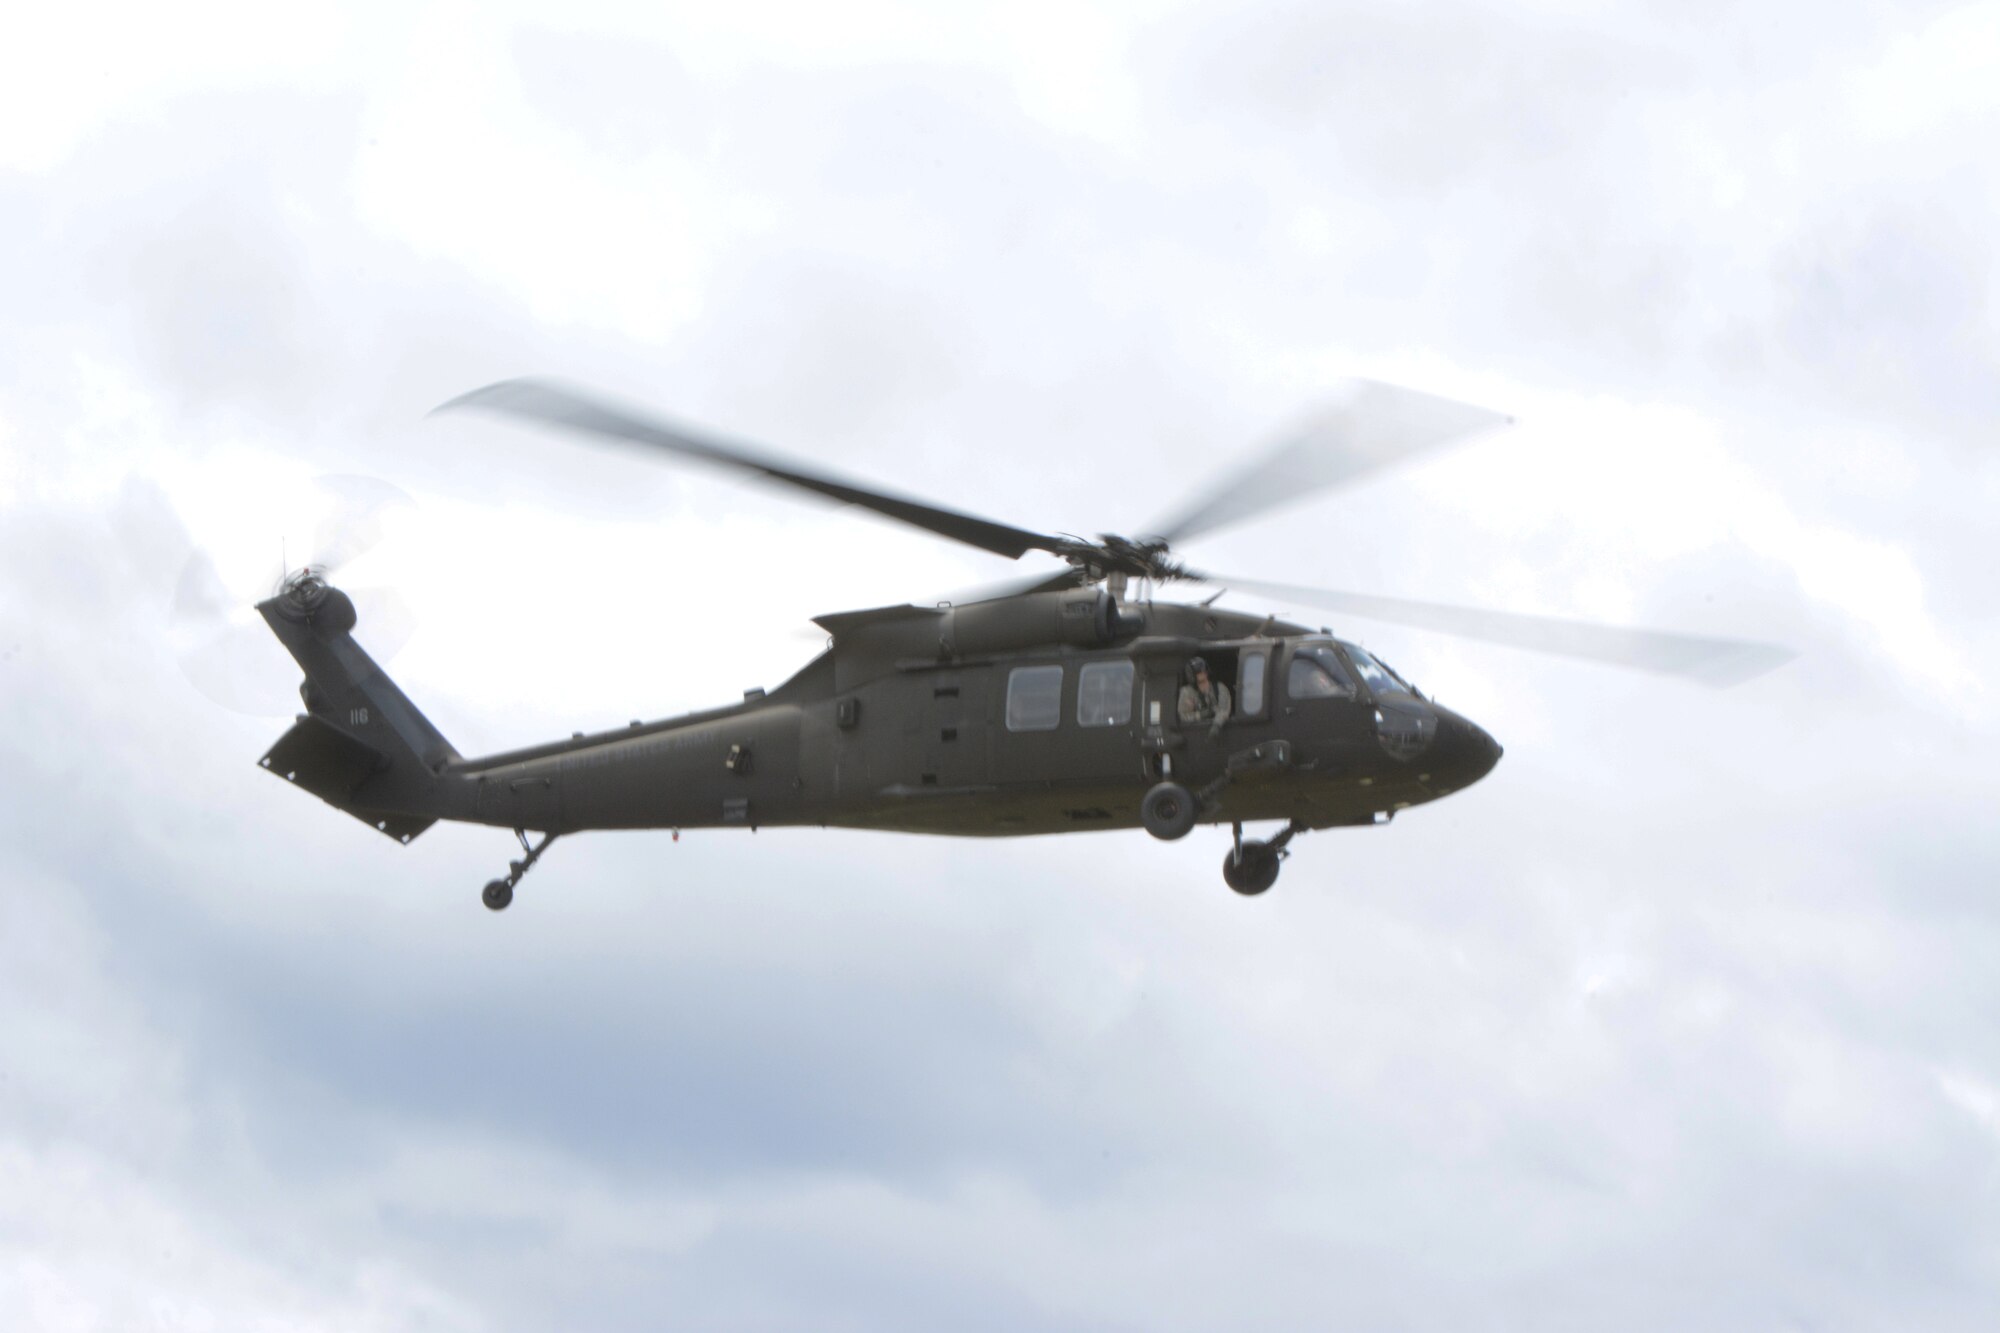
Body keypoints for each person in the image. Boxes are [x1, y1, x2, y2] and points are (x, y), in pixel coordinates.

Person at [1177, 656, 1232, 737]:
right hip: (1196, 733)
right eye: (1199, 671)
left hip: (1220, 731)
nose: (1203, 672)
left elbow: (1224, 709)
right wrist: (1202, 715)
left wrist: (1217, 724)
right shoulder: (1186, 692)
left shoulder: (1220, 688)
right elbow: (1183, 716)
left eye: (1204, 670)